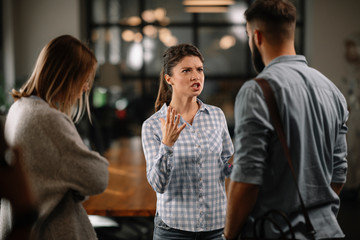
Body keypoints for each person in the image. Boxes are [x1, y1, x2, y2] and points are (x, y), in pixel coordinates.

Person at [223, 0, 348, 239]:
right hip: (327, 231)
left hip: (276, 231)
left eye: (249, 35)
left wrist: (228, 236)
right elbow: (338, 174)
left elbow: (246, 180)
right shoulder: (332, 90)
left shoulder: (256, 90)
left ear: (256, 37)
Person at [0, 35, 109, 240]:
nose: (86, 87)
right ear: (67, 75)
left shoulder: (19, 108)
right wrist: (74, 183)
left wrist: (70, 181)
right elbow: (98, 177)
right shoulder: (46, 119)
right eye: (84, 79)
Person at [141, 43, 234, 240]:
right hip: (173, 230)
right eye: (186, 70)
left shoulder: (216, 115)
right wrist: (167, 145)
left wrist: (241, 165)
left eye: (199, 69)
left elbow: (225, 165)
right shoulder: (152, 126)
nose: (196, 76)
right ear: (169, 79)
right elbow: (158, 184)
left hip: (216, 228)